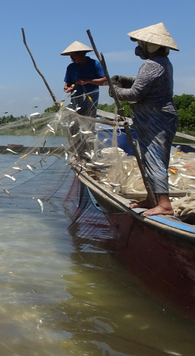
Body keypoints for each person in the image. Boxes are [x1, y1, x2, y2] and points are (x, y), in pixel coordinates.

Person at [108, 22, 179, 217]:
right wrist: (124, 79)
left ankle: (164, 204)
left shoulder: (151, 65)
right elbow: (143, 82)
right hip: (154, 118)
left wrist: (116, 92)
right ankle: (152, 199)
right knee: (148, 159)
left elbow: (136, 92)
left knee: (155, 159)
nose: (139, 47)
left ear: (152, 46)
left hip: (157, 118)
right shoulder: (161, 64)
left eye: (142, 44)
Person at [61, 40, 106, 117]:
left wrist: (88, 81)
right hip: (75, 103)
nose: (71, 58)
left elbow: (105, 81)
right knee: (74, 126)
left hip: (90, 103)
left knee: (88, 126)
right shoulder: (70, 67)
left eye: (73, 55)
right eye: (70, 56)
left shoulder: (95, 64)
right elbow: (68, 83)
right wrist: (67, 88)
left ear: (81, 54)